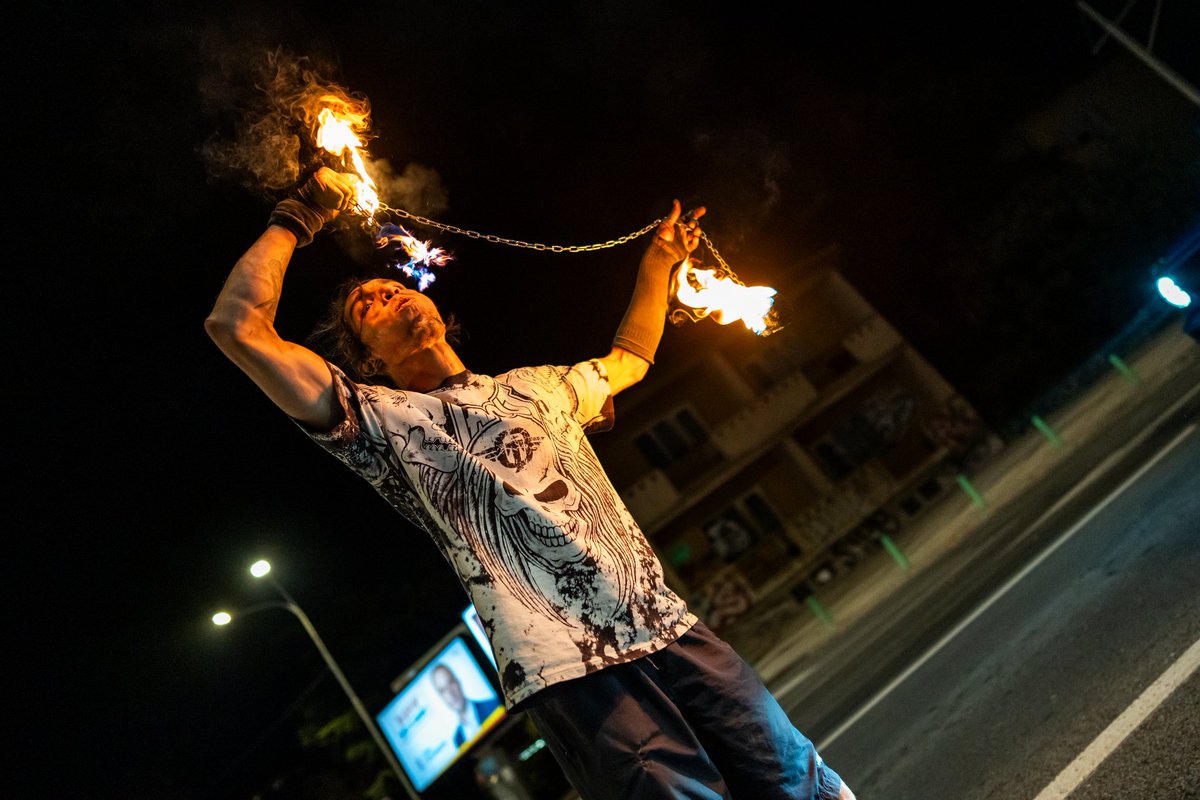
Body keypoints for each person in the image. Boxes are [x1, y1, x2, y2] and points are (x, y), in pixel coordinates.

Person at [206, 166, 855, 800]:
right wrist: (300, 216)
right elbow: (236, 327)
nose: (386, 295)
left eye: (388, 286)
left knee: (797, 780)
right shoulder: (377, 422)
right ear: (370, 358)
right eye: (365, 307)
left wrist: (658, 264)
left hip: (667, 624)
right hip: (568, 668)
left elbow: (628, 358)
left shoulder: (538, 386)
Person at [431, 663, 503, 748]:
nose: (450, 693)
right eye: (443, 690)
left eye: (450, 682)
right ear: (441, 697)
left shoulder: (494, 705)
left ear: (458, 682)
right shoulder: (458, 739)